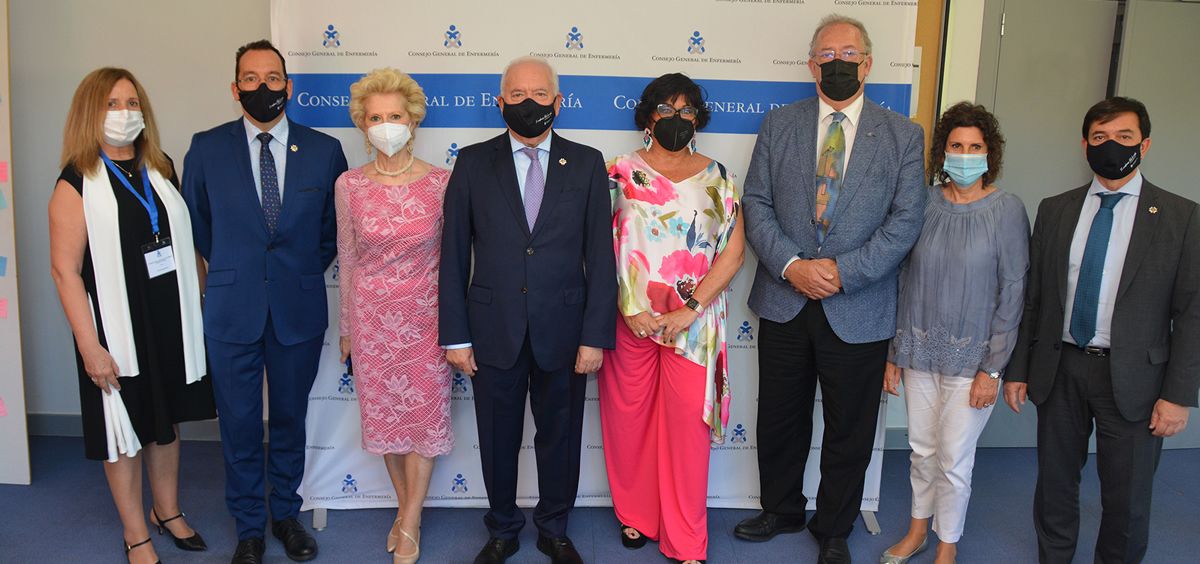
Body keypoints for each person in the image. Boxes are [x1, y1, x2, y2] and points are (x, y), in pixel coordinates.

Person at [737, 14, 927, 564]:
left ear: (867, 64)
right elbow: (756, 203)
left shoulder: (903, 135)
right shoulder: (780, 124)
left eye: (848, 54)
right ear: (811, 64)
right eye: (827, 54)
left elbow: (905, 222)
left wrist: (842, 272)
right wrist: (792, 265)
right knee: (779, 416)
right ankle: (781, 509)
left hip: (859, 304)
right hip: (785, 297)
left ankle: (834, 527)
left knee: (850, 426)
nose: (837, 62)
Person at [439, 56, 616, 564]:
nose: (528, 103)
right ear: (500, 102)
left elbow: (600, 254)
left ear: (558, 102)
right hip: (492, 328)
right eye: (517, 95)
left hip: (565, 329)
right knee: (497, 438)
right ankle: (502, 528)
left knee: (560, 437)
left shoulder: (586, 162)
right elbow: (454, 253)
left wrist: (595, 336)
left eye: (539, 94)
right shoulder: (473, 163)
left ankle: (554, 527)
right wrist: (456, 335)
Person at [1005, 97, 1198, 564]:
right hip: (1061, 369)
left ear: (1144, 145)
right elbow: (1034, 299)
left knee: (1127, 498)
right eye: (1100, 137)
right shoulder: (1056, 210)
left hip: (1136, 378)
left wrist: (1178, 395)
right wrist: (1018, 370)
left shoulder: (1182, 217)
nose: (1112, 145)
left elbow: (1193, 313)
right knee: (1054, 486)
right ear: (1085, 145)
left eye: (1124, 137)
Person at [181, 40, 348, 564]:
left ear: (288, 86)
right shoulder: (206, 149)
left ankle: (286, 517)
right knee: (239, 424)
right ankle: (250, 526)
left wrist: (290, 273)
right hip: (232, 309)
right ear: (235, 89)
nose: (263, 87)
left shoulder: (324, 150)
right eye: (250, 79)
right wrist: (239, 271)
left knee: (290, 420)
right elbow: (198, 226)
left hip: (297, 309)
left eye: (272, 78)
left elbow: (332, 232)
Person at [49, 67, 214, 564]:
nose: (124, 113)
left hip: (170, 319)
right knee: (124, 429)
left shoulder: (159, 167)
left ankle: (168, 510)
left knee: (166, 421)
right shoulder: (75, 181)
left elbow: (185, 244)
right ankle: (135, 532)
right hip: (115, 329)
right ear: (90, 113)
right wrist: (90, 347)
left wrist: (201, 309)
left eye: (132, 103)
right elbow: (65, 271)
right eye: (112, 104)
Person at [599, 73, 744, 564]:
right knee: (629, 422)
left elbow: (733, 253)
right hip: (631, 319)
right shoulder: (617, 172)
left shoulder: (720, 178)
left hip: (694, 324)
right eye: (666, 108)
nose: (676, 118)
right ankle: (637, 515)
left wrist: (690, 309)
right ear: (648, 116)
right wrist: (628, 305)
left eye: (686, 110)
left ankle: (686, 540)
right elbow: (594, 244)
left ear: (698, 119)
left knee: (686, 434)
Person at [879, 102, 1029, 564]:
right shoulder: (922, 204)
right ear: (942, 153)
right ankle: (917, 532)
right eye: (956, 146)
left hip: (974, 361)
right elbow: (902, 278)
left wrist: (993, 369)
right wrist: (894, 353)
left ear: (990, 154)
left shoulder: (1007, 210)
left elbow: (1013, 292)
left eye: (975, 147)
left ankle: (948, 544)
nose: (965, 155)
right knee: (921, 451)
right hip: (918, 350)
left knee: (953, 459)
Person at [335, 67, 453, 564]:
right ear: (363, 125)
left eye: (396, 116)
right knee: (386, 419)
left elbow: (454, 261)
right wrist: (347, 328)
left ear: (414, 120)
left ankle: (410, 520)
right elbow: (347, 257)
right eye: (376, 117)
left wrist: (457, 329)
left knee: (423, 420)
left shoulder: (442, 183)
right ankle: (407, 512)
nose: (386, 125)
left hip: (427, 319)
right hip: (372, 322)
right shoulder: (349, 185)